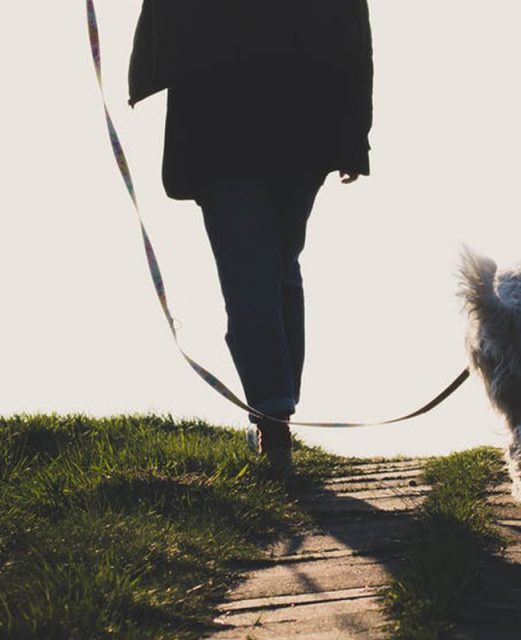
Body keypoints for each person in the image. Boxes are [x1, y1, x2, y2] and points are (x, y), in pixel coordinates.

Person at [128, 0, 374, 465]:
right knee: (273, 271)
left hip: (237, 129)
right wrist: (353, 133)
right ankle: (275, 415)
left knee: (258, 275)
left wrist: (353, 134)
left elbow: (351, 29)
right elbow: (353, 32)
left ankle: (274, 419)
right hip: (289, 128)